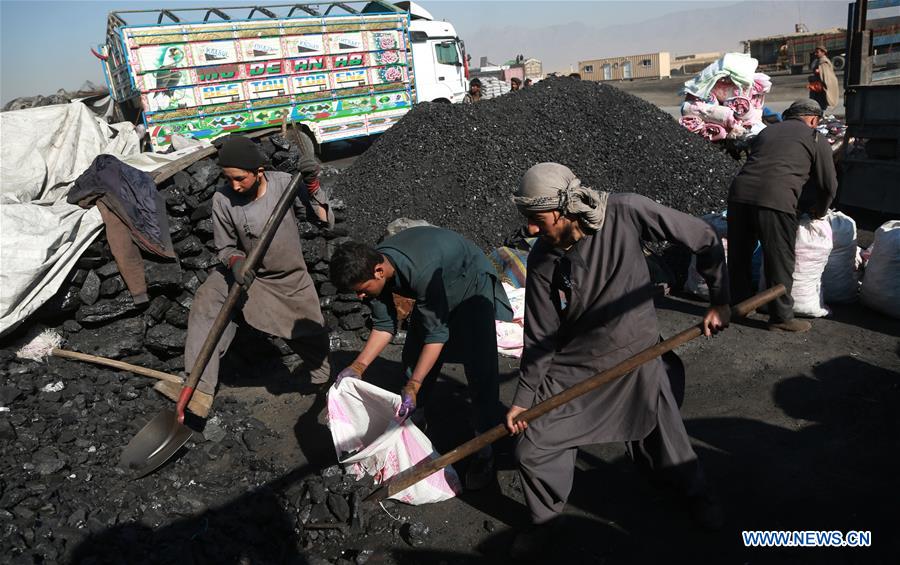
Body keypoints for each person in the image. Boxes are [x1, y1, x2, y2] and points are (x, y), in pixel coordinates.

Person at [505, 163, 730, 556]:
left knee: (667, 444)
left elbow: (704, 236)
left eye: (537, 220)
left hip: (636, 353)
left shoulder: (625, 211)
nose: (532, 231)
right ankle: (544, 521)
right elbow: (540, 335)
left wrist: (720, 300)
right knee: (533, 446)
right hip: (577, 366)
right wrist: (524, 398)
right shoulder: (544, 258)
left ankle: (698, 497)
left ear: (564, 208)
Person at [329, 227, 512, 489]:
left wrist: (414, 385)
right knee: (413, 357)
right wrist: (357, 367)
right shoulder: (374, 267)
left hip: (469, 282)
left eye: (361, 290)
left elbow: (436, 336)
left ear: (378, 272)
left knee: (480, 366)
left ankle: (484, 449)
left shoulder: (419, 271)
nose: (359, 297)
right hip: (437, 281)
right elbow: (383, 325)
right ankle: (415, 421)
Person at [181, 135, 331, 416]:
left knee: (311, 335)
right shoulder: (223, 199)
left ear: (259, 171)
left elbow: (322, 219)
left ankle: (325, 383)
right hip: (246, 273)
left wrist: (311, 184)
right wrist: (236, 261)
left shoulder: (284, 184)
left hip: (288, 278)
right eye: (229, 179)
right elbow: (224, 247)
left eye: (240, 178)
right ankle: (198, 388)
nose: (235, 185)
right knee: (207, 299)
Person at [727, 99, 838, 333]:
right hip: (775, 200)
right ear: (814, 120)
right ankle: (780, 318)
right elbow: (828, 185)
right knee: (779, 259)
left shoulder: (766, 132)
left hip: (739, 196)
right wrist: (821, 210)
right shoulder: (815, 138)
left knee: (740, 255)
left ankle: (739, 306)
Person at [808, 46, 839, 112]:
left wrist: (813, 78)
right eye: (815, 52)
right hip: (819, 87)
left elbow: (825, 76)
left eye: (817, 52)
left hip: (821, 88)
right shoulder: (819, 61)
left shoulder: (823, 62)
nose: (815, 54)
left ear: (823, 52)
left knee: (820, 105)